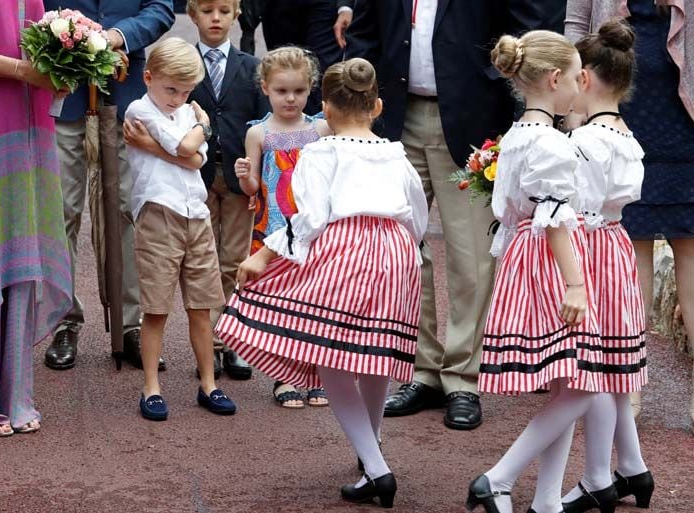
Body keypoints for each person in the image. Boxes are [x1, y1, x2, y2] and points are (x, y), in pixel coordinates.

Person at [344, 0, 567, 431]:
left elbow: (532, 24)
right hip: (392, 118)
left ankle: (463, 377)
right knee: (402, 251)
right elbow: (363, 34)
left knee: (473, 258)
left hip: (473, 118)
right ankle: (422, 370)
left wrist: (508, 101)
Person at [216, 58, 428, 507]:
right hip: (398, 253)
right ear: (377, 106)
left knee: (329, 356)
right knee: (376, 354)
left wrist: (261, 256)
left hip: (344, 249)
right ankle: (371, 457)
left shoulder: (320, 151)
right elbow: (417, 215)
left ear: (325, 110)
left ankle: (376, 467)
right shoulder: (395, 152)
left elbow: (306, 219)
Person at [465, 30, 620, 513]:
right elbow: (553, 219)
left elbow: (511, 210)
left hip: (521, 259)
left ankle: (548, 500)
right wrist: (576, 282)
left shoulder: (515, 136)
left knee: (567, 381)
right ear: (556, 79)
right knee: (586, 381)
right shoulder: (551, 142)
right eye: (576, 77)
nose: (580, 85)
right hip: (548, 263)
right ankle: (499, 476)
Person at [566, 1, 694, 424]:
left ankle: (640, 397)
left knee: (688, 261)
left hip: (684, 124)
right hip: (619, 122)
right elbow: (575, 26)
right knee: (627, 264)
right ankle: (627, 393)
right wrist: (572, 108)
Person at [42, 0, 174, 371]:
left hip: (124, 93)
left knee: (126, 212)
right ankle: (64, 319)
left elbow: (161, 8)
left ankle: (129, 324)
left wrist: (119, 36)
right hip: (64, 95)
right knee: (62, 212)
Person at [558, 19, 653, 512]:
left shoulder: (585, 142)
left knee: (589, 367)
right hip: (614, 244)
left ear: (587, 79)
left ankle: (598, 476)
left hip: (588, 247)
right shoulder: (625, 135)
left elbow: (569, 205)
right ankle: (633, 465)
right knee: (610, 362)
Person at [123, 38, 236, 421]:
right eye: (170, 88)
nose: (177, 98)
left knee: (202, 305)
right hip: (158, 213)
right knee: (155, 308)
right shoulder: (140, 109)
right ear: (149, 77)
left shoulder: (187, 110)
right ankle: (151, 387)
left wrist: (192, 136)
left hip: (196, 213)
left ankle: (209, 384)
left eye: (186, 91)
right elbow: (187, 147)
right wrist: (204, 125)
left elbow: (194, 158)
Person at [234, 46, 331, 408]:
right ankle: (284, 376)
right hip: (273, 227)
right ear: (265, 89)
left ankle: (318, 373)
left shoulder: (320, 128)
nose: (290, 99)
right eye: (281, 91)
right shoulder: (258, 134)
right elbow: (253, 187)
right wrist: (244, 177)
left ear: (310, 90)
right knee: (282, 302)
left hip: (314, 228)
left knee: (316, 300)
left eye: (299, 91)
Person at [0, 0, 73, 436]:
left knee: (18, 258)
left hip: (27, 127)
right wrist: (28, 72)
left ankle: (13, 395)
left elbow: (39, 50)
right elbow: (26, 65)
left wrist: (68, 67)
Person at [185, 0, 270, 381]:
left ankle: (231, 341)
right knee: (202, 260)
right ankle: (208, 347)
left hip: (239, 178)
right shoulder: (185, 67)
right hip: (197, 176)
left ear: (236, 15)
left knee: (235, 259)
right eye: (207, 11)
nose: (215, 18)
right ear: (192, 15)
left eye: (223, 10)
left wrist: (258, 174)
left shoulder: (251, 67)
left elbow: (261, 123)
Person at [261, 0, 356, 114]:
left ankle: (318, 127)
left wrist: (346, 7)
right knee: (282, 67)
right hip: (279, 7)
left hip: (326, 6)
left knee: (321, 72)